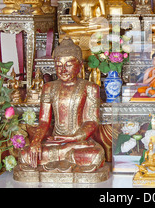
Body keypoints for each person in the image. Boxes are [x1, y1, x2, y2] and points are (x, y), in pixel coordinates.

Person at [18, 38, 106, 173]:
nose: (63, 70)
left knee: (95, 154)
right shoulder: (49, 87)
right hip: (54, 142)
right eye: (58, 65)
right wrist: (36, 142)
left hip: (79, 143)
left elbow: (92, 121)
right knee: (25, 155)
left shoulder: (90, 87)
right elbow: (43, 121)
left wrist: (74, 137)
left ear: (80, 65)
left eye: (69, 65)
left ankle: (63, 156)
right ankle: (65, 156)